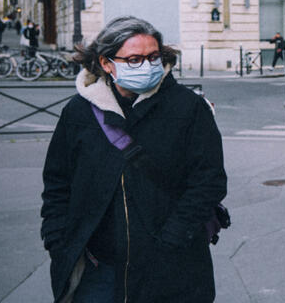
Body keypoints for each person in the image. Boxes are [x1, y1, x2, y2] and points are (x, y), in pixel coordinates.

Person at [40, 16, 227, 303]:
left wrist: (173, 239)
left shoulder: (188, 108)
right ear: (106, 63)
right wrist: (57, 240)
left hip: (171, 268)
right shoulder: (78, 113)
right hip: (97, 271)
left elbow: (209, 181)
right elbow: (58, 181)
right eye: (135, 59)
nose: (148, 65)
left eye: (153, 57)